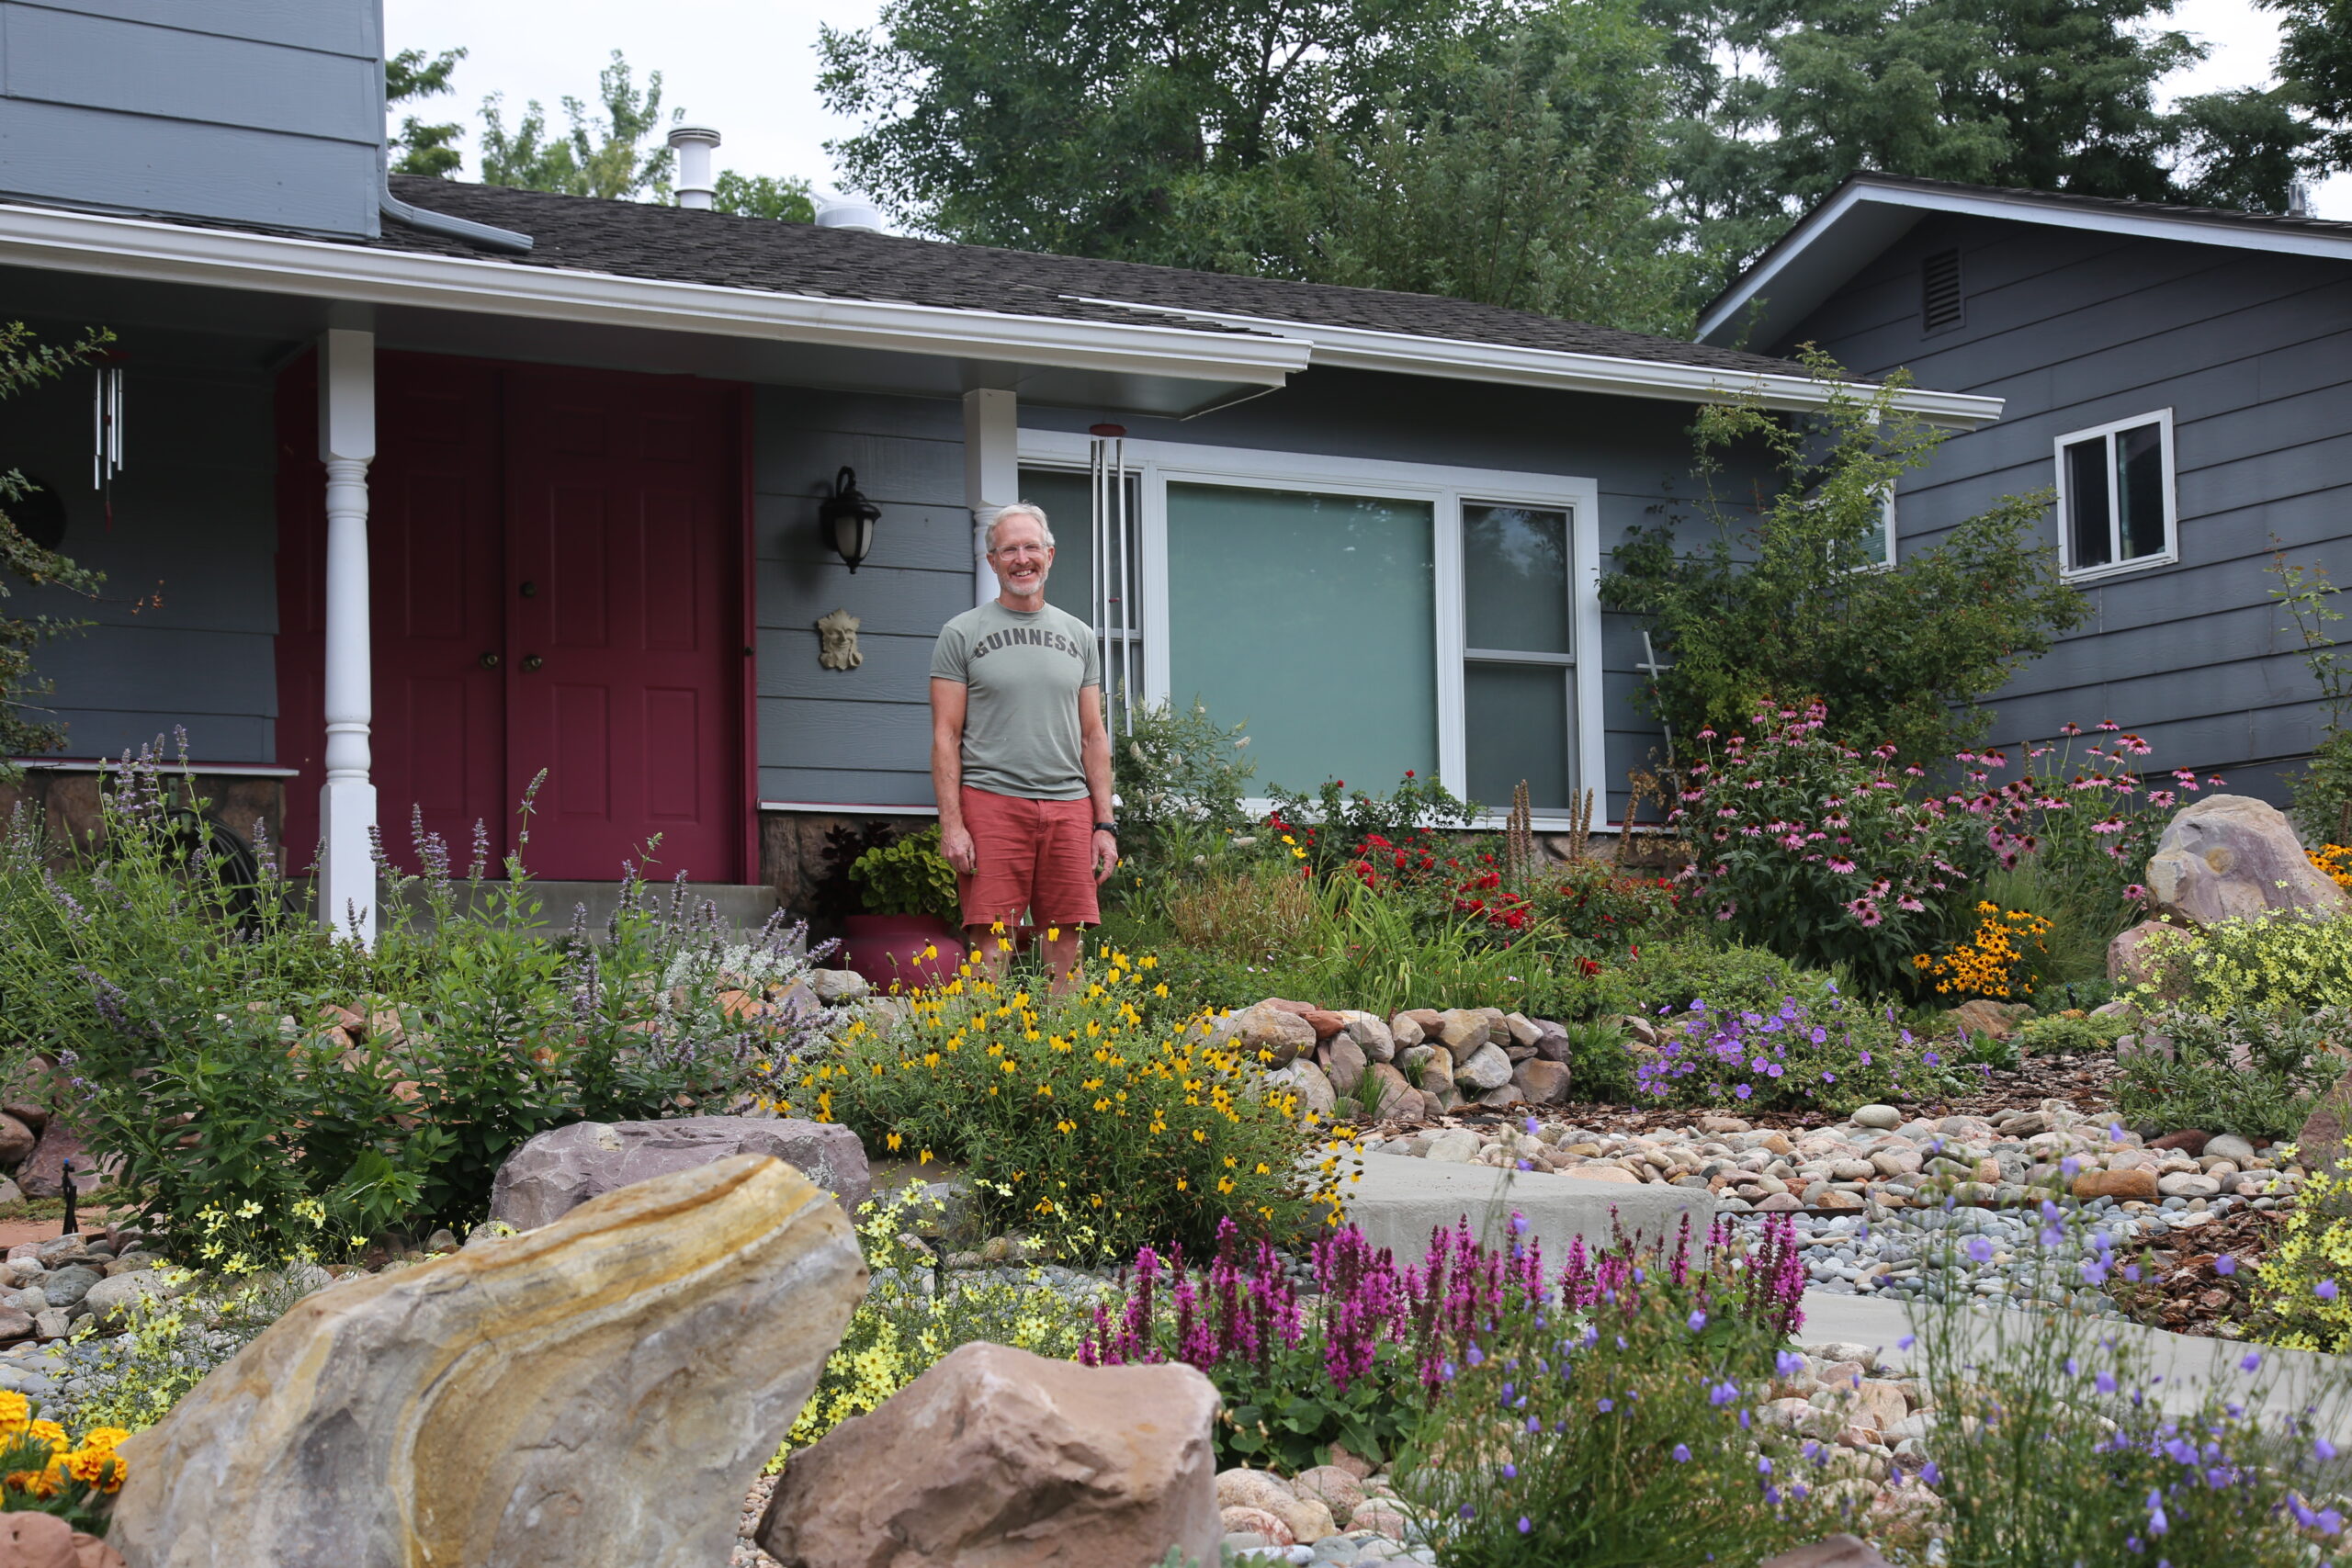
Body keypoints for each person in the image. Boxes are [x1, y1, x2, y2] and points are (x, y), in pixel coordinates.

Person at [929, 501, 1116, 982]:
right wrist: (952, 826)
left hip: (1069, 806)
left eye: (1030, 547)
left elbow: (1094, 735)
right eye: (1008, 549)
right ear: (992, 561)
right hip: (991, 801)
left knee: (1068, 934)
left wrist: (1105, 824)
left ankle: (1062, 1050)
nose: (1021, 558)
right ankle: (978, 1049)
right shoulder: (961, 633)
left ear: (1049, 555)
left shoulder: (1080, 635)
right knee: (992, 937)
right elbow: (945, 736)